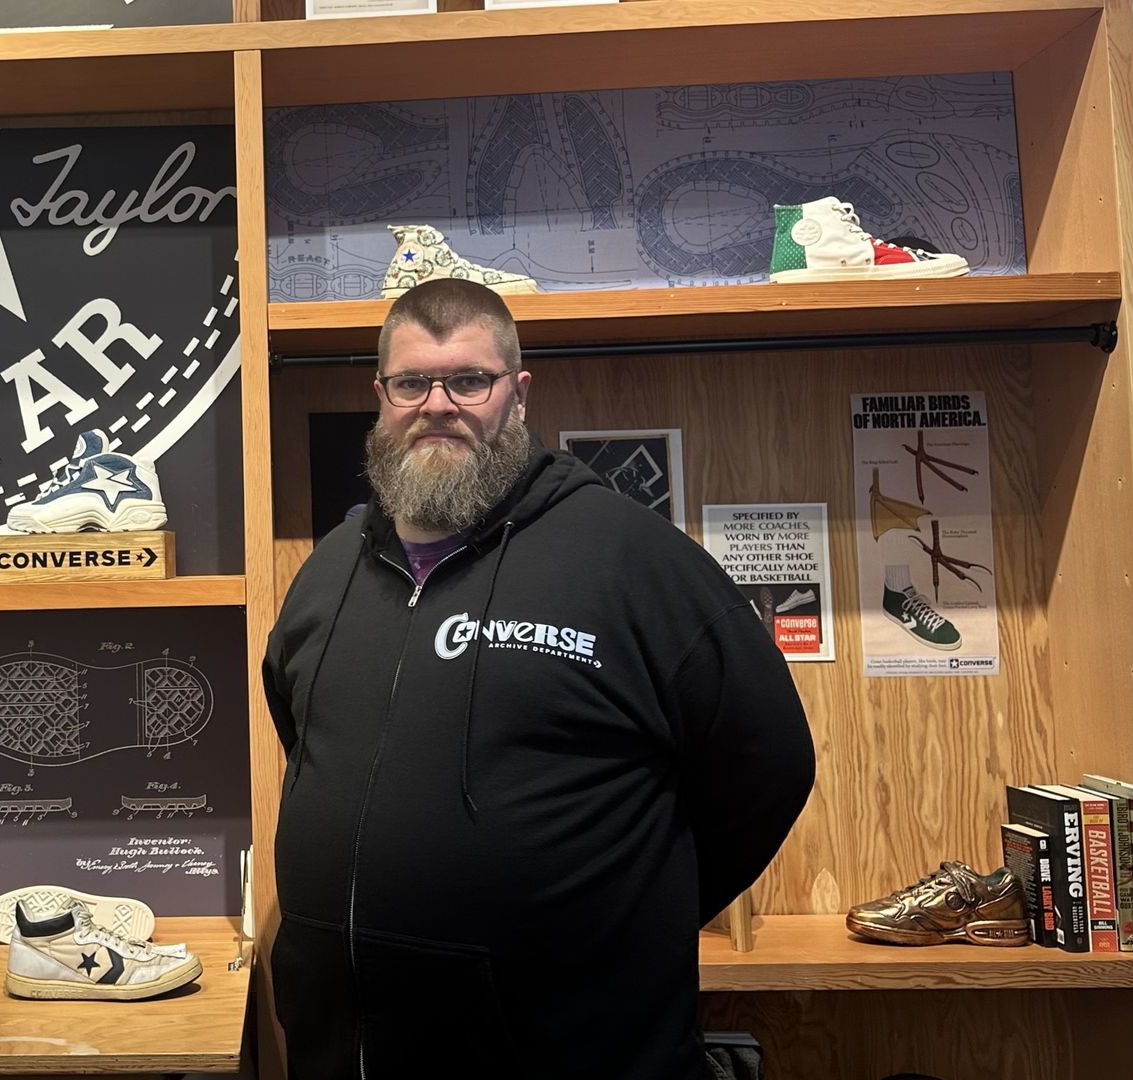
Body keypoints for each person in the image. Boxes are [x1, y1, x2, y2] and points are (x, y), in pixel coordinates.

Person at [261, 278, 816, 1078]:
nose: (438, 404)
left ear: (517, 395)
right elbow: (304, 739)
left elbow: (768, 766)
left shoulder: (634, 559)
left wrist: (629, 913)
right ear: (380, 396)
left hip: (574, 1053)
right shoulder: (327, 573)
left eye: (469, 380)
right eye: (413, 382)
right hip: (348, 1054)